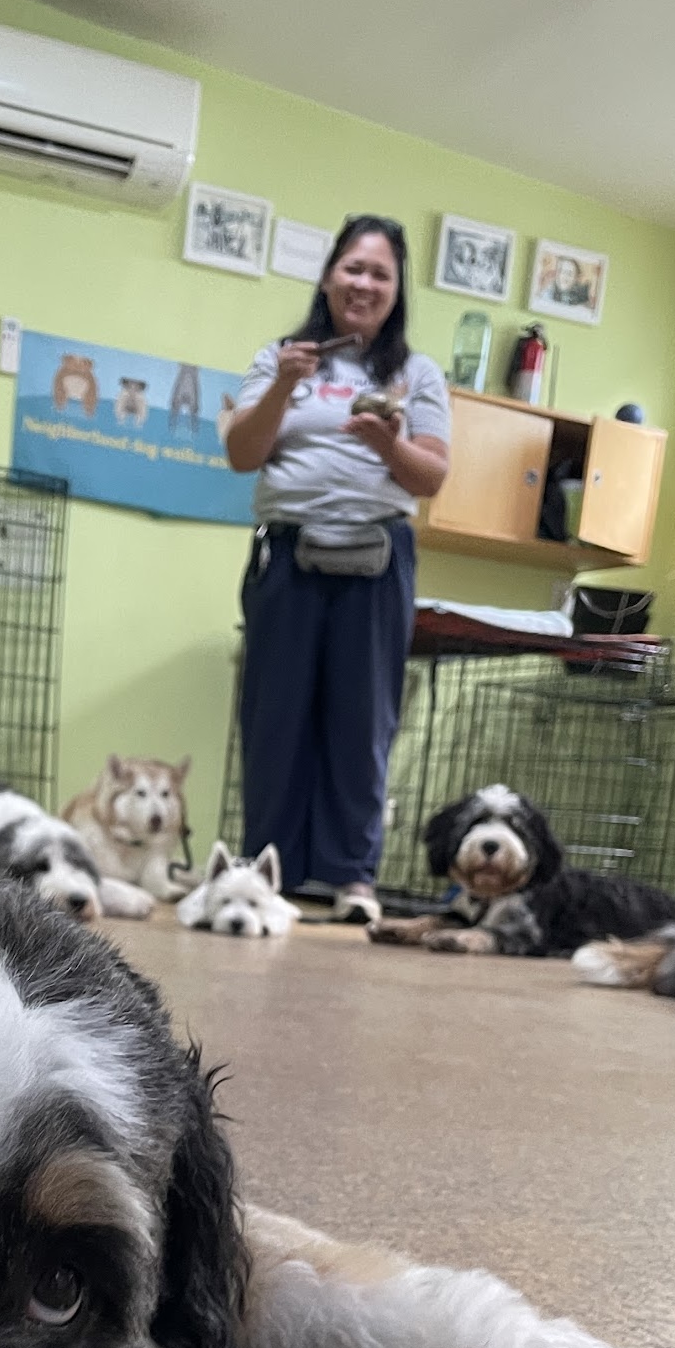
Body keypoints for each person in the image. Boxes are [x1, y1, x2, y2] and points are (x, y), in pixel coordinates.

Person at [223, 214, 451, 922]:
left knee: (363, 722)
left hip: (377, 559)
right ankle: (270, 870)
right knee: (274, 717)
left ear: (396, 290)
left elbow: (430, 475)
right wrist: (279, 388)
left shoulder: (417, 374)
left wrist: (387, 444)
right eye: (353, 267)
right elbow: (241, 454)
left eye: (380, 273)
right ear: (327, 277)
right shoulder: (280, 359)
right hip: (286, 553)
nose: (364, 283)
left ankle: (352, 877)